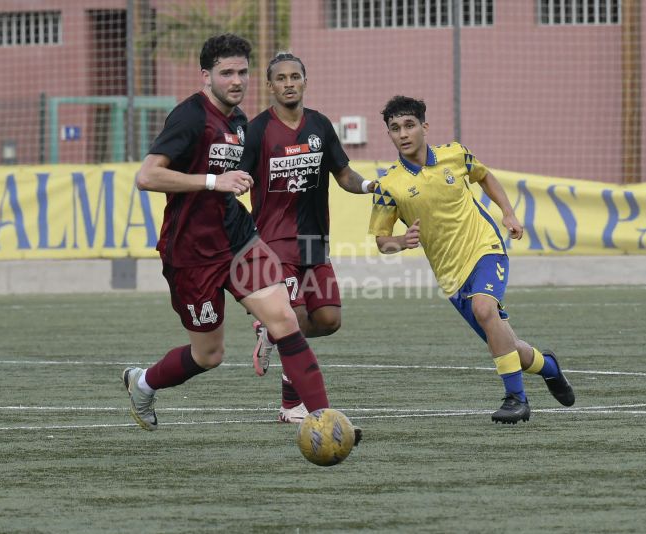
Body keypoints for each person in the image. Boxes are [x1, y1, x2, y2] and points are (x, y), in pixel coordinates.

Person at [121, 34, 331, 431]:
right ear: (206, 75)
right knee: (208, 355)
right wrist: (214, 183)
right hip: (191, 254)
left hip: (238, 242)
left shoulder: (237, 119)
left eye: (243, 72)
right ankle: (143, 382)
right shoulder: (190, 117)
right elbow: (147, 176)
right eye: (227, 72)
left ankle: (322, 417)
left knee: (285, 320)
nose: (237, 81)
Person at [369, 96, 575, 424]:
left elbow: (485, 176)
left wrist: (508, 213)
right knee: (507, 346)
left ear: (425, 127)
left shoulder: (455, 154)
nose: (403, 134)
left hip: (485, 248)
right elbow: (382, 242)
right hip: (451, 277)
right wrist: (400, 241)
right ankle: (548, 367)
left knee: (484, 308)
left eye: (409, 126)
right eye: (395, 129)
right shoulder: (388, 185)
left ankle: (516, 400)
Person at [238, 52, 375, 423]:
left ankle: (270, 332)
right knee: (293, 319)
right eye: (280, 78)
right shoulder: (257, 131)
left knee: (329, 319)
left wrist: (370, 185)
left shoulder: (320, 125)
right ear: (270, 86)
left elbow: (343, 174)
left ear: (304, 81)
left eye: (294, 76)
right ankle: (289, 405)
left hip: (314, 241)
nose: (288, 83)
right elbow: (237, 179)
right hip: (273, 243)